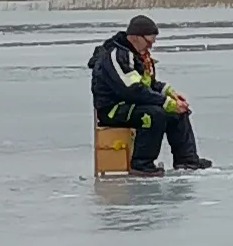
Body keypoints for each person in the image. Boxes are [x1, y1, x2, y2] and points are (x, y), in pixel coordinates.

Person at [89, 14, 209, 172]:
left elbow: (147, 84)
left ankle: (187, 160)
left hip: (133, 103)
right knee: (154, 115)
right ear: (136, 37)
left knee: (177, 113)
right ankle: (142, 164)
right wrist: (165, 102)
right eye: (149, 42)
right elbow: (133, 90)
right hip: (113, 109)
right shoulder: (117, 56)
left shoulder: (137, 55)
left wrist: (169, 93)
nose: (150, 47)